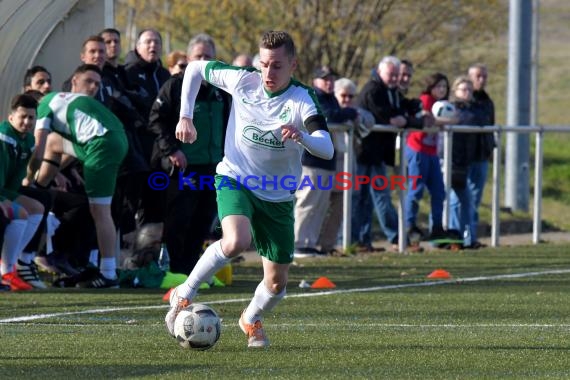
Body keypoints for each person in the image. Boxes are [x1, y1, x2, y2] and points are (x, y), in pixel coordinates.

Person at [165, 30, 334, 348]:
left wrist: (303, 136)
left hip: (278, 194)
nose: (269, 73)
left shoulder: (302, 99)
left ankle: (251, 319)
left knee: (276, 283)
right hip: (235, 177)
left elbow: (327, 149)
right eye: (264, 64)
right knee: (236, 241)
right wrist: (185, 116)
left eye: (277, 66)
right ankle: (184, 293)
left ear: (293, 65)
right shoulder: (243, 80)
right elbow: (195, 69)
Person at [28, 64, 128, 288]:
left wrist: (26, 181)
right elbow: (56, 145)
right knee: (56, 146)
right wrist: (41, 183)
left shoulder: (43, 107)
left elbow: (38, 148)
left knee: (99, 210)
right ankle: (39, 190)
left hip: (102, 145)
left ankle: (108, 274)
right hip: (115, 138)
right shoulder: (63, 100)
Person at [149, 33, 231, 275]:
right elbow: (155, 120)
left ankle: (193, 270)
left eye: (208, 56)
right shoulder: (174, 85)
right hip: (184, 166)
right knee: (179, 219)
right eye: (199, 56)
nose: (203, 60)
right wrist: (172, 150)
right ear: (189, 58)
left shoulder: (222, 90)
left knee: (203, 219)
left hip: (214, 166)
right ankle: (175, 269)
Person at [352, 56, 427, 251]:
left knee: (368, 199)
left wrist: (413, 114)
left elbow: (401, 112)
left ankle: (362, 241)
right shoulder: (374, 90)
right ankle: (396, 239)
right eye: (391, 74)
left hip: (376, 153)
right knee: (373, 197)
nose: (395, 78)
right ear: (380, 71)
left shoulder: (389, 91)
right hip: (365, 152)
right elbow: (389, 118)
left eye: (396, 74)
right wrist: (410, 120)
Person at [294, 66, 357, 258]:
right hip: (311, 160)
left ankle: (310, 243)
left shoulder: (330, 98)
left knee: (319, 205)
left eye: (331, 79)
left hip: (325, 161)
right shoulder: (313, 95)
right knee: (308, 202)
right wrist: (351, 113)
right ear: (315, 81)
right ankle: (299, 243)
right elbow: (329, 116)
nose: (329, 82)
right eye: (324, 79)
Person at [0, 94, 47, 289]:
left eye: (31, 117)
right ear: (11, 117)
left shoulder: (27, 140)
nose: (27, 122)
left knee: (37, 208)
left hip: (5, 189)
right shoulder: (3, 138)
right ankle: (6, 270)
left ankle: (10, 264)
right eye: (23, 117)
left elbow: (15, 180)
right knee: (20, 213)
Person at [404, 73, 450, 242]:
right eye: (438, 86)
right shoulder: (425, 100)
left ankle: (436, 226)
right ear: (431, 87)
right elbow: (428, 119)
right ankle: (408, 226)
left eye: (444, 86)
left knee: (439, 191)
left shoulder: (442, 104)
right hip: (418, 149)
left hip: (432, 152)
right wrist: (448, 121)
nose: (442, 89)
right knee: (415, 190)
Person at [448, 76, 489, 248]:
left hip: (474, 158)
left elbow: (483, 121)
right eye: (463, 90)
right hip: (457, 161)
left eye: (470, 90)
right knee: (456, 201)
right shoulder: (452, 109)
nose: (467, 93)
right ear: (455, 91)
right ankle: (455, 238)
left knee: (468, 201)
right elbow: (467, 120)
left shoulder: (477, 107)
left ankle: (465, 239)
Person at [466, 63, 495, 248]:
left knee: (475, 197)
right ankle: (460, 235)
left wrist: (490, 148)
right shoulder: (465, 101)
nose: (481, 80)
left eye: (484, 76)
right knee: (461, 197)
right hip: (465, 155)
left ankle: (471, 236)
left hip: (481, 155)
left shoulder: (487, 101)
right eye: (477, 76)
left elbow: (490, 126)